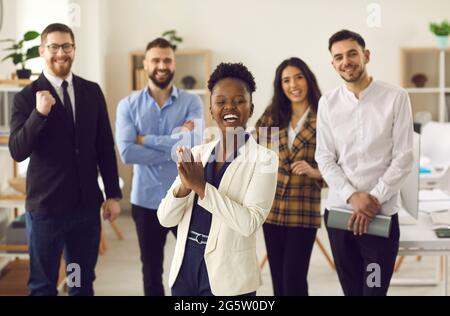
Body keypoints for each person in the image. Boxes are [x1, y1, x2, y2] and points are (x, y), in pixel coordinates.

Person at [8, 23, 122, 296]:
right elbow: (17, 150)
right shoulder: (26, 97)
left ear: (74, 49)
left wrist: (113, 195)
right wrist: (39, 114)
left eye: (67, 46)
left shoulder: (91, 91)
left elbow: (104, 146)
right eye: (54, 47)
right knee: (43, 285)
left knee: (79, 282)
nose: (61, 53)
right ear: (42, 51)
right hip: (46, 211)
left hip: (84, 211)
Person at [157, 62, 278, 296]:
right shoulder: (198, 154)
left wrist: (200, 187)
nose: (229, 107)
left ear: (251, 108)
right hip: (185, 271)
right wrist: (185, 186)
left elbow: (249, 223)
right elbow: (165, 218)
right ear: (211, 109)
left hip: (229, 278)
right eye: (221, 101)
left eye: (239, 101)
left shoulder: (265, 160)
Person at [315, 29, 414, 296]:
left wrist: (372, 199)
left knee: (373, 289)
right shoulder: (328, 103)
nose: (346, 61)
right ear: (333, 64)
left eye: (352, 54)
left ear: (366, 55)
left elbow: (404, 157)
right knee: (352, 291)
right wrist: (352, 197)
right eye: (339, 57)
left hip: (380, 215)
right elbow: (324, 157)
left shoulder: (396, 97)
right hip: (340, 215)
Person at [115, 38, 204, 296]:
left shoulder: (192, 102)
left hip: (186, 198)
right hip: (146, 201)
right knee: (151, 271)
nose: (161, 65)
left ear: (174, 63)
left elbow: (194, 146)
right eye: (156, 60)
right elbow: (128, 152)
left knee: (193, 266)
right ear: (145, 64)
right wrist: (175, 146)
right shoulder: (128, 106)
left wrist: (146, 140)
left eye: (167, 60)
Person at [255, 57, 323, 296]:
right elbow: (255, 154)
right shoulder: (273, 116)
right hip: (272, 210)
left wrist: (315, 171)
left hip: (302, 209)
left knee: (293, 280)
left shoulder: (324, 116)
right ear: (280, 85)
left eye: (298, 77)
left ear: (308, 79)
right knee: (278, 280)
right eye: (286, 80)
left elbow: (340, 161)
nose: (293, 84)